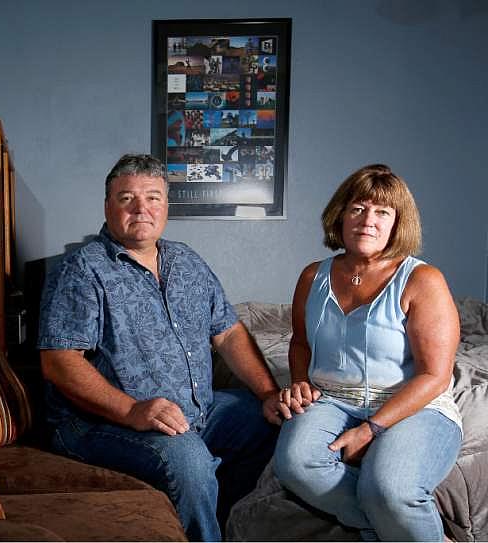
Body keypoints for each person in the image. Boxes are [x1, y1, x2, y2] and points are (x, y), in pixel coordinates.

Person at [37, 153, 289, 541]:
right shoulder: (83, 270)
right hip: (103, 423)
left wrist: (269, 392)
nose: (141, 208)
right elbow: (59, 362)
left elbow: (229, 333)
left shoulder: (186, 261)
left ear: (166, 206)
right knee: (189, 462)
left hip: (196, 413)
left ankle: (221, 523)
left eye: (153, 197)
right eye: (126, 198)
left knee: (271, 420)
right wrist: (132, 409)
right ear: (107, 206)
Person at [273, 164, 462, 541]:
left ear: (397, 223)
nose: (367, 221)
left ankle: (393, 511)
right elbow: (300, 343)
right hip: (332, 399)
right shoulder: (313, 276)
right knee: (295, 464)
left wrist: (370, 430)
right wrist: (298, 381)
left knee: (390, 489)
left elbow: (435, 376)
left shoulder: (423, 279)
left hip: (414, 404)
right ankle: (400, 529)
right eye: (358, 208)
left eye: (382, 212)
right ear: (340, 215)